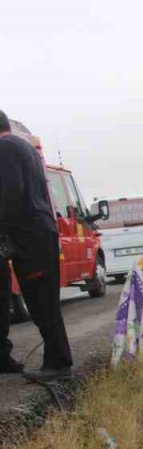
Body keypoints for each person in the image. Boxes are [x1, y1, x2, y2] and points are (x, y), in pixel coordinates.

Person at [0, 109, 74, 381]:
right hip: (39, 232)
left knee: (41, 303)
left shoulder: (5, 148)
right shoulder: (24, 147)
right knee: (44, 301)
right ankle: (52, 359)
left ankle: (58, 362)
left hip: (29, 237)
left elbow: (11, 193)